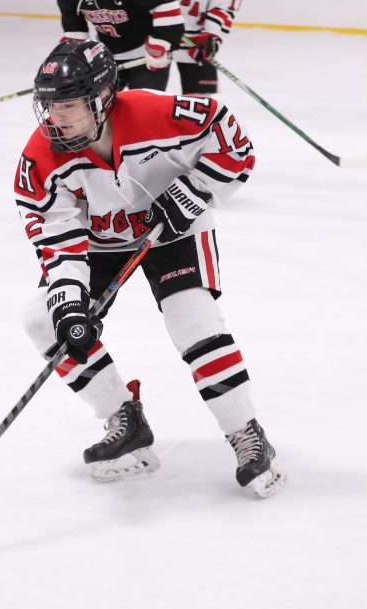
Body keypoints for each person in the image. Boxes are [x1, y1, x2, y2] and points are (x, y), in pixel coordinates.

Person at [14, 40, 285, 497]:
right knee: (45, 319)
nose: (57, 117)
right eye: (50, 105)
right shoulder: (40, 157)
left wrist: (194, 191)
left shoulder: (155, 113)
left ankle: (246, 432)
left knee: (192, 321)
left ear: (103, 97)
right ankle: (124, 418)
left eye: (68, 105)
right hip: (98, 243)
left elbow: (233, 144)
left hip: (174, 230)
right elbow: (57, 236)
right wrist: (70, 301)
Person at [57, 0, 184, 91]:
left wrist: (162, 42)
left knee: (144, 110)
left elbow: (166, 5)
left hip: (145, 58)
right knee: (102, 112)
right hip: (106, 58)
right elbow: (75, 31)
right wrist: (74, 60)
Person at [176, 0, 239, 95]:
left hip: (197, 45)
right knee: (152, 95)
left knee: (199, 99)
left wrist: (210, 37)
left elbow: (224, 7)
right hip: (157, 38)